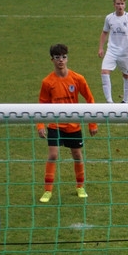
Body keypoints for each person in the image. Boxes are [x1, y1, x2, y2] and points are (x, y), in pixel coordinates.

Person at [37, 44, 98, 202]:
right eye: (57, 58)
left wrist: (92, 123)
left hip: (73, 126)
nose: (61, 60)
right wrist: (40, 125)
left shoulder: (78, 79)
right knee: (53, 155)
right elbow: (41, 105)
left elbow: (90, 99)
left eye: (63, 57)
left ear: (67, 58)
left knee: (77, 155)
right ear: (52, 60)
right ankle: (48, 191)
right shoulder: (47, 82)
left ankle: (80, 187)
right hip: (55, 125)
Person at [98, 0, 128, 103]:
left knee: (126, 75)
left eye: (122, 4)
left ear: (125, 5)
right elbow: (104, 33)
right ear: (114, 5)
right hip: (111, 51)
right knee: (104, 71)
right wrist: (101, 48)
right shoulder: (109, 18)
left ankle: (125, 101)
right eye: (118, 4)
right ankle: (109, 102)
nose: (120, 6)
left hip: (126, 52)